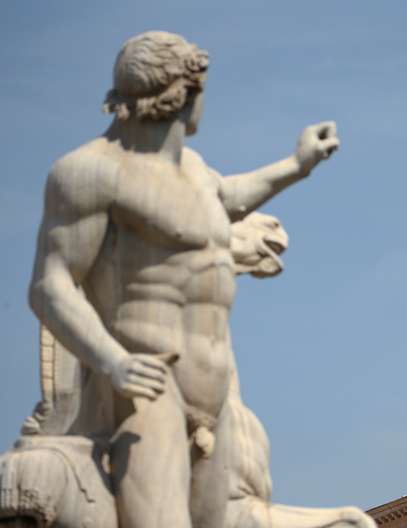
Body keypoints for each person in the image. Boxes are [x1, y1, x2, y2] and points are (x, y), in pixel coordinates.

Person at [28, 30, 339, 528]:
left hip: (215, 403)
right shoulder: (89, 173)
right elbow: (51, 284)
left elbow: (231, 196)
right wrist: (114, 363)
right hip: (147, 396)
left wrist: (297, 166)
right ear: (186, 92)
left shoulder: (195, 172)